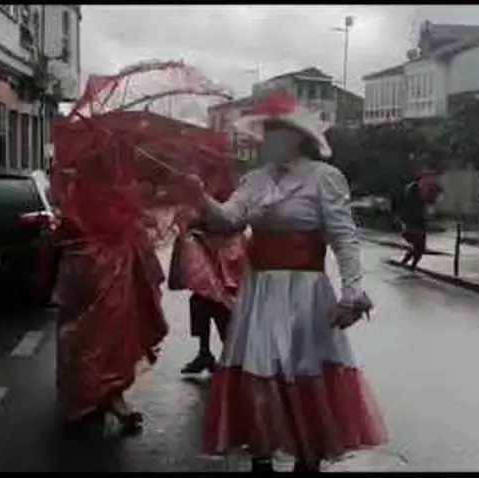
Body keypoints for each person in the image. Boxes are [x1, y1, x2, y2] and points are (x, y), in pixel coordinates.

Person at [187, 93, 386, 472]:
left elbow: (344, 238)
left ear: (297, 137)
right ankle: (261, 452)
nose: (267, 139)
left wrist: (352, 291)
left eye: (276, 131)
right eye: (266, 131)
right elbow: (228, 220)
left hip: (305, 296)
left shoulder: (324, 178)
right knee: (260, 368)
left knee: (304, 369)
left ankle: (307, 456)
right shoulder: (255, 179)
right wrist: (199, 195)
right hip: (260, 293)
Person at [53, 204, 169, 436]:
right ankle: (96, 396)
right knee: (94, 336)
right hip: (96, 269)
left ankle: (100, 396)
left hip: (99, 268)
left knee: (103, 335)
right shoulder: (85, 193)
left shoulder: (79, 191)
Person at [168, 210, 247, 374]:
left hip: (225, 242)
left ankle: (229, 356)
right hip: (202, 239)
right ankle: (205, 352)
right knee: (202, 295)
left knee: (220, 298)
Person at [397, 170, 439, 271]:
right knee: (417, 243)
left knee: (420, 247)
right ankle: (406, 263)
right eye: (428, 178)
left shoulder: (429, 190)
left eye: (431, 179)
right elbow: (409, 204)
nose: (430, 181)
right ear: (421, 179)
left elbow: (431, 201)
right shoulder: (412, 189)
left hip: (421, 222)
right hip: (411, 221)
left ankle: (410, 265)